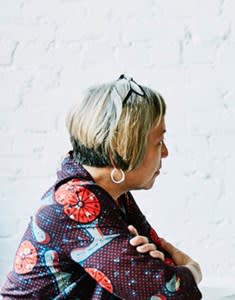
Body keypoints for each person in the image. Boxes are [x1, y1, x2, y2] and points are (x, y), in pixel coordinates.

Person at [1, 75, 203, 299]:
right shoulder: (76, 202)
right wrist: (193, 270)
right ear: (122, 149)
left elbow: (160, 263)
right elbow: (167, 291)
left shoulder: (111, 195)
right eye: (158, 142)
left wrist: (157, 269)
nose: (165, 152)